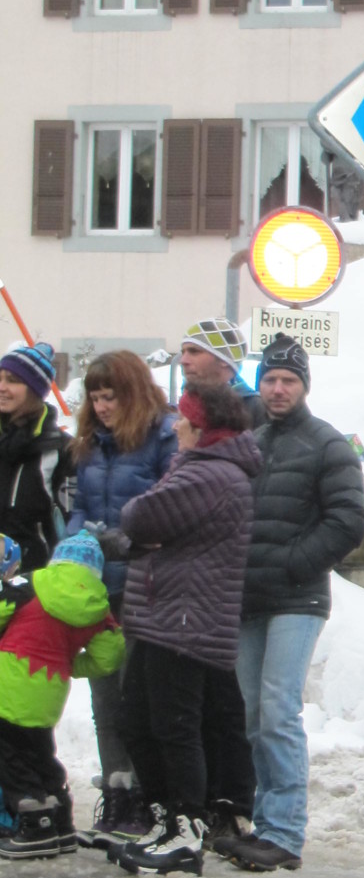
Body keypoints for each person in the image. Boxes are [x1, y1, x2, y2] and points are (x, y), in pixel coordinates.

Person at [111, 384, 261, 876]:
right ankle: (164, 818)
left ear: (201, 429)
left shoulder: (210, 473)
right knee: (137, 720)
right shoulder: (200, 469)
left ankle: (185, 829)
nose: (175, 425)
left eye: (184, 419)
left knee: (173, 728)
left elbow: (139, 515)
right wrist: (143, 540)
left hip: (185, 618)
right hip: (167, 614)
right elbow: (147, 528)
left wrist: (140, 536)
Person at [230, 334, 364, 873]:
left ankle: (284, 833)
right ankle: (264, 824)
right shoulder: (252, 443)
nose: (278, 389)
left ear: (304, 386)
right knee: (253, 714)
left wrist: (292, 563)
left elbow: (348, 522)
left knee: (277, 708)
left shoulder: (327, 445)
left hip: (297, 597)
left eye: (288, 380)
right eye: (270, 379)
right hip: (249, 597)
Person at [66, 351, 179, 847]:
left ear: (132, 394)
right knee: (104, 695)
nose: (102, 407)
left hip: (146, 583)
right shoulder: (91, 444)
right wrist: (73, 546)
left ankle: (145, 794)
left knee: (137, 696)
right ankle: (115, 789)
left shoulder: (164, 435)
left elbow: (170, 507)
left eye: (110, 396)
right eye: (95, 397)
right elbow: (80, 507)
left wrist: (124, 540)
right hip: (99, 586)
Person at [0, 532, 124, 857]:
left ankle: (35, 826)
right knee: (41, 752)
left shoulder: (30, 584)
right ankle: (61, 823)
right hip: (51, 692)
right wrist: (68, 664)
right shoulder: (98, 606)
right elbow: (109, 657)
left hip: (8, 684)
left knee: (10, 757)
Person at [0, 340, 71, 573]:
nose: (2, 387)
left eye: (12, 380)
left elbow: (69, 523)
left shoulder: (61, 450)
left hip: (37, 578)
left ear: (35, 389)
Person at [178, 319, 265, 428]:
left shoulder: (254, 407)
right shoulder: (186, 402)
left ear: (224, 359)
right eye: (183, 352)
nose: (183, 361)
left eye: (194, 351)